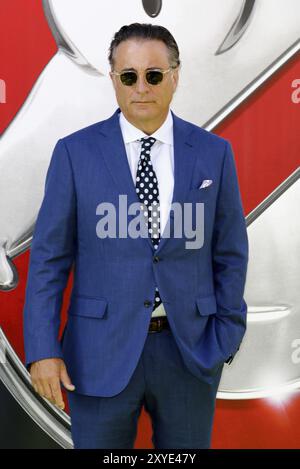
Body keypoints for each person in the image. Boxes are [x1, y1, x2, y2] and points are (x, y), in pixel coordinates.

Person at [23, 23, 249, 449]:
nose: (141, 87)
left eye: (154, 74)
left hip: (189, 352)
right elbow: (49, 259)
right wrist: (42, 350)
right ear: (113, 79)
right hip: (96, 354)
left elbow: (231, 252)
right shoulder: (75, 154)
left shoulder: (213, 153)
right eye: (129, 76)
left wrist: (226, 334)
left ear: (175, 77)